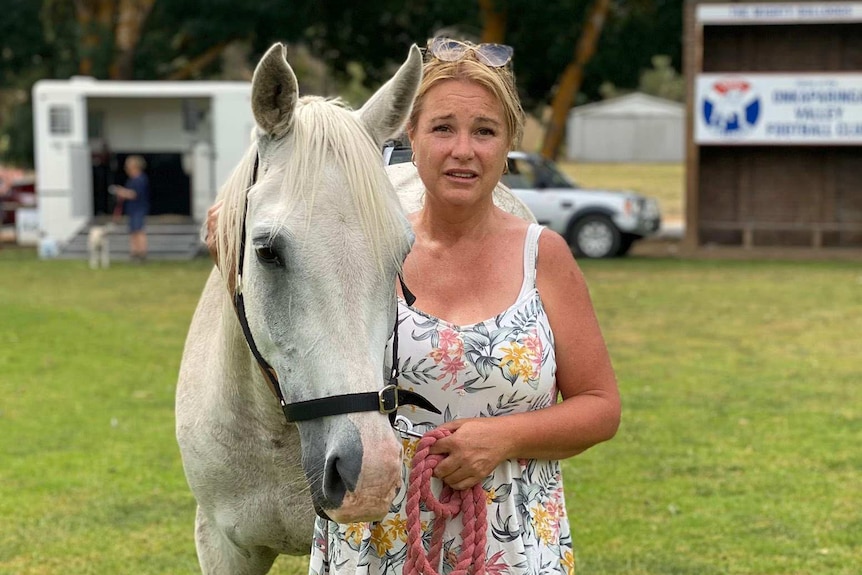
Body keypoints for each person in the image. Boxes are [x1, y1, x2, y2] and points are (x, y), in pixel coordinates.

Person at [207, 37, 620, 575]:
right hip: (378, 541)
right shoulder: (364, 257)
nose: (463, 150)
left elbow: (600, 406)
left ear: (508, 144)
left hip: (509, 543)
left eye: (485, 131)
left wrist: (502, 438)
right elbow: (288, 307)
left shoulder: (544, 256)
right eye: (443, 128)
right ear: (411, 135)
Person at [111, 155, 150, 262]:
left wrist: (121, 192)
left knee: (139, 230)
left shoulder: (140, 179)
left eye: (128, 166)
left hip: (139, 208)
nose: (126, 169)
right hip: (132, 209)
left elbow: (134, 194)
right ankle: (134, 252)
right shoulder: (132, 180)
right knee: (133, 231)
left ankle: (142, 253)